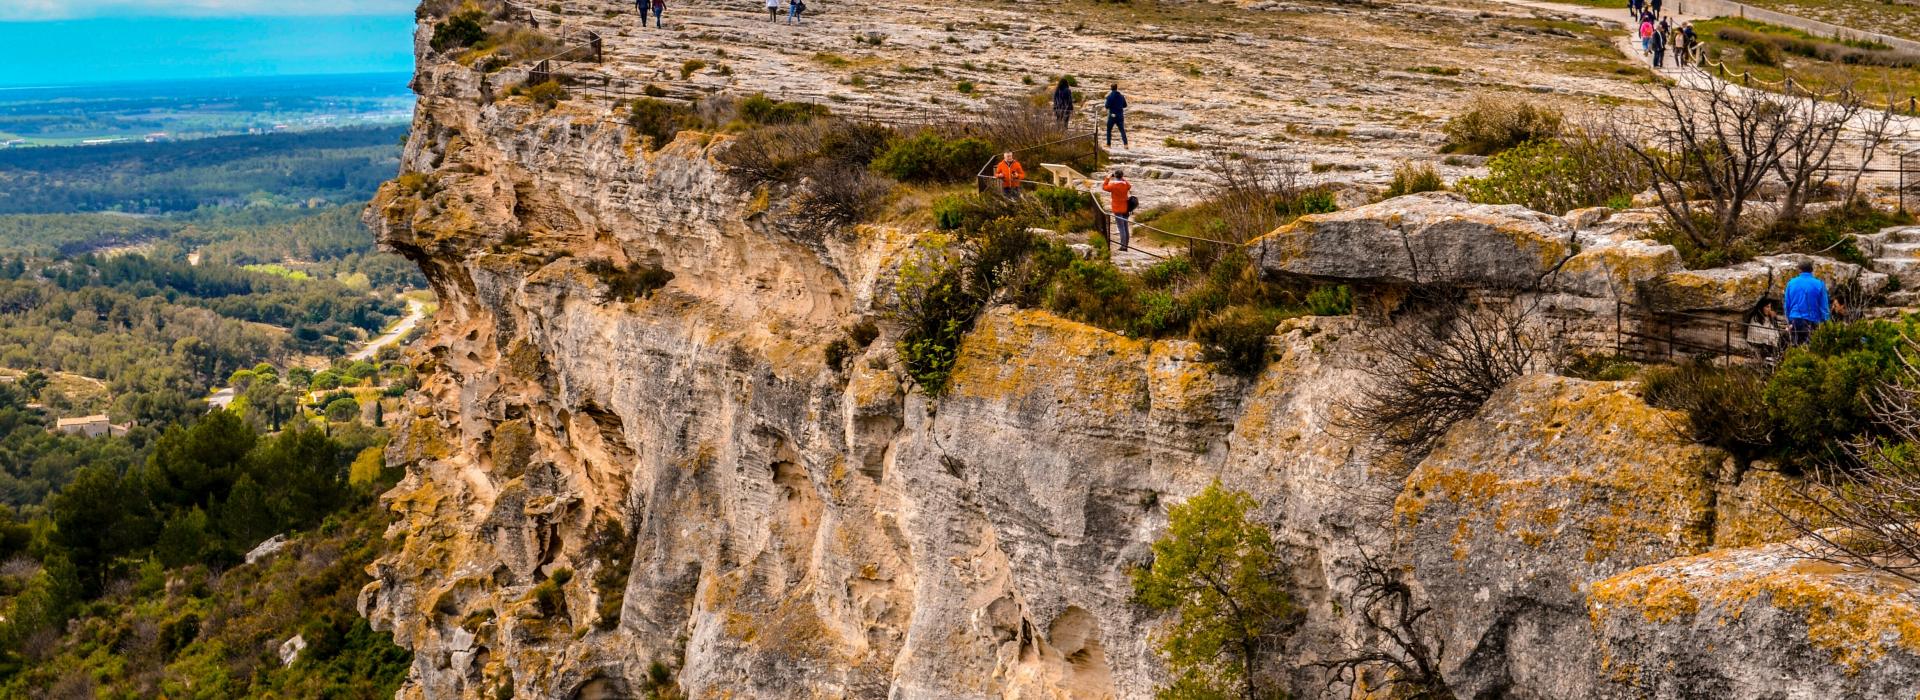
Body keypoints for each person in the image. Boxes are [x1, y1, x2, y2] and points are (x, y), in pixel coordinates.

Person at [1783, 260, 1835, 346]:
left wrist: (1789, 321)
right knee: (1811, 347)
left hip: (1795, 319)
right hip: (1813, 320)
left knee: (1795, 346)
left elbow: (1787, 305)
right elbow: (1824, 306)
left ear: (1799, 270)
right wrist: (1826, 323)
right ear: (1811, 270)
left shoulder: (1791, 283)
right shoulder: (1819, 284)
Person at [1102, 171, 1133, 251]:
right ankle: (1126, 245)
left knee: (1121, 227)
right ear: (1122, 176)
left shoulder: (1113, 185)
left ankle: (1123, 246)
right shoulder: (1125, 184)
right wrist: (1122, 178)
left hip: (1117, 208)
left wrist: (1108, 178)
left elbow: (1104, 187)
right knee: (1125, 227)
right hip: (1126, 208)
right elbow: (1129, 186)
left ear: (1115, 176)